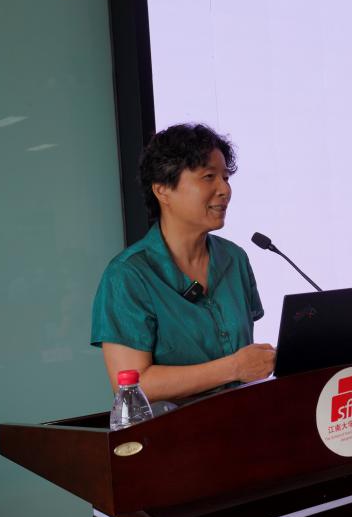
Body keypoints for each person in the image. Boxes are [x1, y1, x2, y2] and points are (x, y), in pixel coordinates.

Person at [90, 123, 275, 401]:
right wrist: (234, 368)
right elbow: (131, 386)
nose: (224, 189)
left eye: (226, 177)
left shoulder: (234, 258)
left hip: (243, 419)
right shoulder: (128, 275)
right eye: (209, 177)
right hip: (175, 427)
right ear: (162, 190)